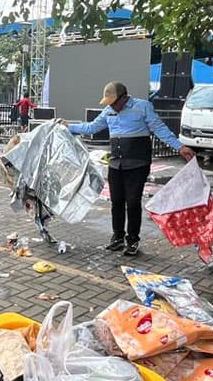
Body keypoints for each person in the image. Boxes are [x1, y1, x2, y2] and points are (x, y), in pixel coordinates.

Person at [62, 81, 195, 257]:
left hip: (138, 163)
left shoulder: (142, 107)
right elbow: (92, 127)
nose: (112, 106)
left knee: (132, 202)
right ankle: (117, 237)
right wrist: (67, 126)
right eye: (109, 103)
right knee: (116, 201)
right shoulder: (109, 110)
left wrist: (179, 147)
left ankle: (132, 240)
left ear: (124, 97)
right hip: (116, 163)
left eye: (114, 102)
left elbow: (159, 129)